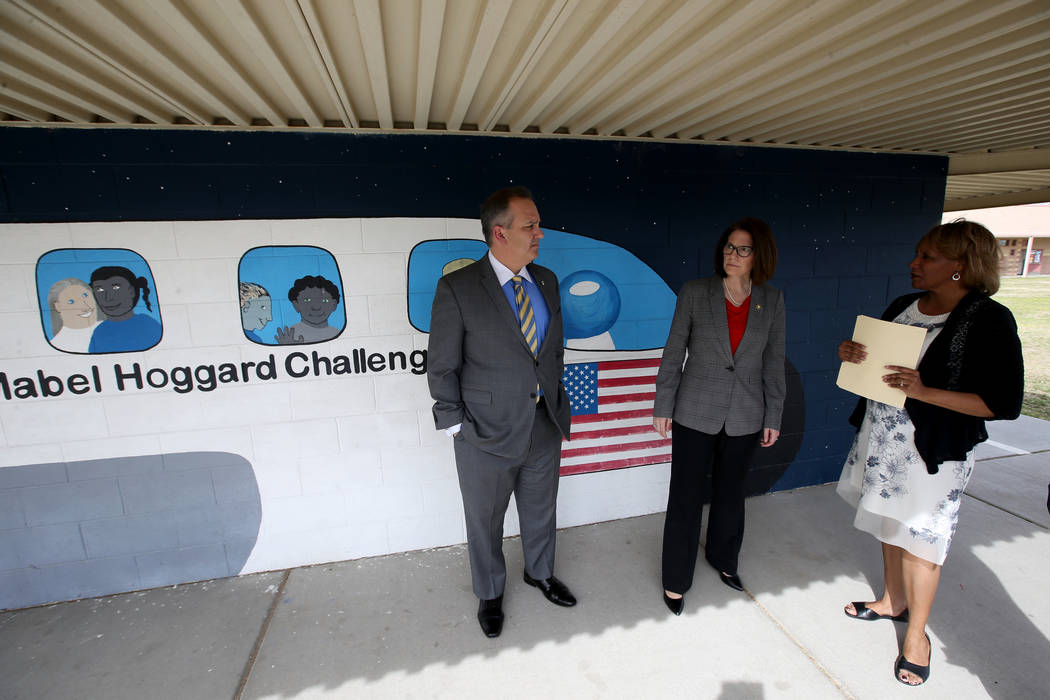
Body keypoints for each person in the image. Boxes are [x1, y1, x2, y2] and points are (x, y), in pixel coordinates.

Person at [836, 219, 1023, 686]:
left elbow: (1002, 404)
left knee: (922, 541)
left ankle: (916, 637)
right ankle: (891, 602)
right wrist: (854, 353)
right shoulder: (904, 306)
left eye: (927, 257)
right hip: (882, 443)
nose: (913, 264)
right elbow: (879, 363)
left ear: (960, 267)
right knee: (886, 522)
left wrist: (923, 391)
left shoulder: (989, 320)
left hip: (932, 453)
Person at [427, 186, 575, 638]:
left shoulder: (546, 280)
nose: (540, 234)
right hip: (483, 433)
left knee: (540, 508)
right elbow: (442, 363)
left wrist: (554, 398)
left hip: (543, 422)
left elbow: (550, 354)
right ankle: (490, 592)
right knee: (485, 518)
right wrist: (455, 425)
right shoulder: (458, 287)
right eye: (530, 225)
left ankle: (540, 572)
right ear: (499, 232)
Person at [653, 218, 785, 615]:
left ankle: (724, 560)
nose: (733, 255)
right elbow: (674, 350)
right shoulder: (695, 293)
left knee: (731, 495)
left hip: (746, 413)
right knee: (685, 497)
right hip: (694, 411)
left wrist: (773, 414)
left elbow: (773, 363)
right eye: (729, 247)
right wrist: (663, 404)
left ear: (759, 255)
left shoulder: (772, 300)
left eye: (743, 249)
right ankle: (676, 580)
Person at [88, 266, 162, 353]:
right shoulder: (100, 331)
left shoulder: (146, 324)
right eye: (99, 289)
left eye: (116, 288)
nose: (108, 297)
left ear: (132, 291)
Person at [275, 275, 341, 343]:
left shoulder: (337, 334)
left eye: (324, 300)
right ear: (296, 305)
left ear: (334, 304)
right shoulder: (290, 336)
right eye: (307, 300)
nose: (316, 307)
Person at [47, 278, 101, 352]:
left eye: (85, 296)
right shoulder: (58, 344)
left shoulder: (108, 326)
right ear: (58, 306)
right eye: (71, 301)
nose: (85, 306)